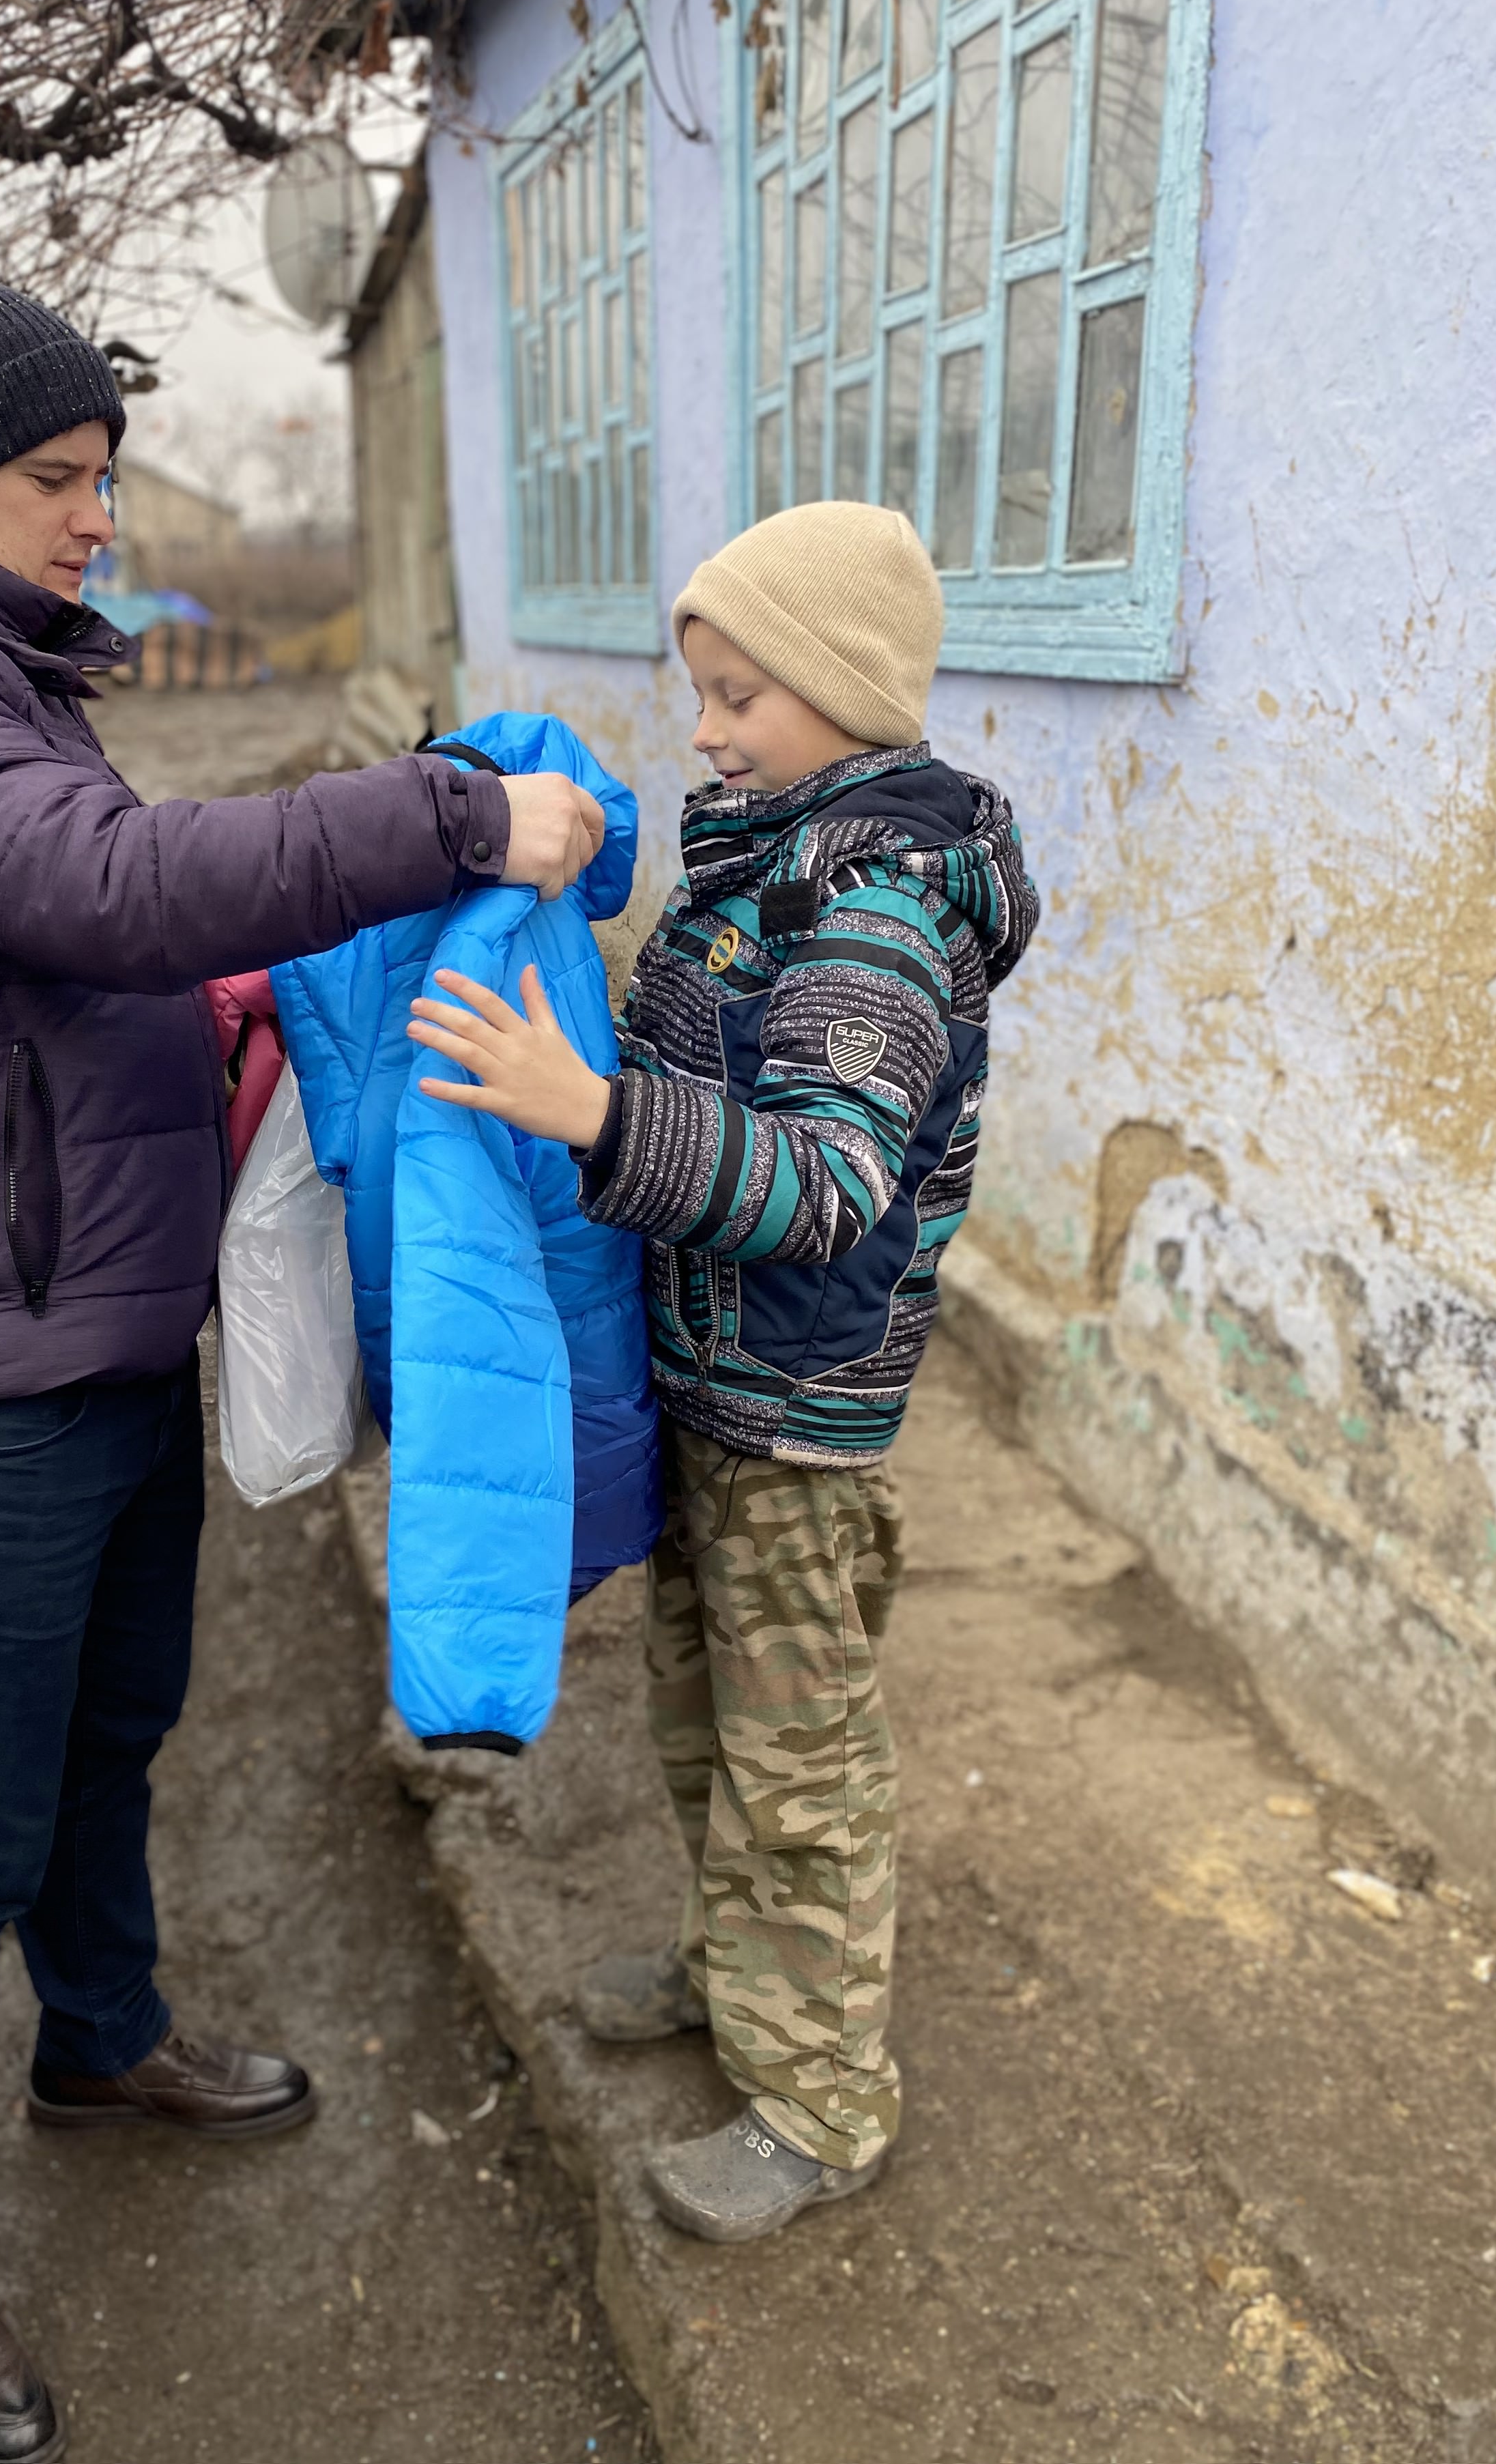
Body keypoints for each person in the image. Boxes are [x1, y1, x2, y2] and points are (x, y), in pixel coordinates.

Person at [0, 261, 604, 2461]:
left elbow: (49, 971)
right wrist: (453, 820)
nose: (103, 516)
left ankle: (103, 2043)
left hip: (91, 1324)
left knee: (116, 1729)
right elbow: (105, 888)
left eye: (106, 471)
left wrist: (226, 1032)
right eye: (60, 476)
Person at [405, 501, 1037, 2245]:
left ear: (844, 690)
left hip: (796, 1417)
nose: (705, 729)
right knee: (702, 1720)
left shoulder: (885, 908)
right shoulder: (768, 854)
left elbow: (827, 1183)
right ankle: (735, 1971)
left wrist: (587, 1113)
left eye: (742, 693)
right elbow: (706, 1053)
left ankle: (823, 2101)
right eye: (703, 691)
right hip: (714, 1384)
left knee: (800, 1761)